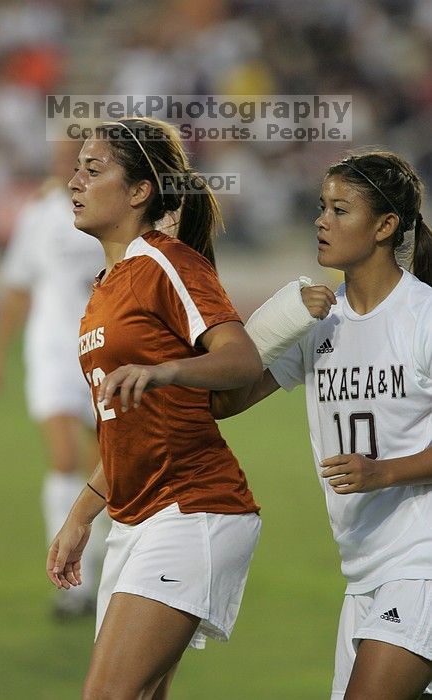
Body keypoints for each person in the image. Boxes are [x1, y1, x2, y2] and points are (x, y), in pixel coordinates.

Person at [45, 116, 270, 700]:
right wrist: (79, 516)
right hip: (135, 517)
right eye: (76, 168)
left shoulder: (167, 264)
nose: (76, 180)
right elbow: (128, 428)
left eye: (94, 170)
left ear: (141, 191)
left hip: (192, 506)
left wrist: (164, 370)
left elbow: (241, 358)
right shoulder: (105, 287)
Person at [212, 150, 432, 699]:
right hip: (363, 573)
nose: (321, 221)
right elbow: (225, 401)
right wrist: (274, 322)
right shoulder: (317, 321)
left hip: (422, 564)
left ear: (385, 226)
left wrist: (383, 473)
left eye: (340, 209)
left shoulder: (423, 317)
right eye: (320, 207)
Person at [0, 140, 107, 619]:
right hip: (53, 353)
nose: (70, 169)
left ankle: (98, 570)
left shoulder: (110, 214)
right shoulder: (37, 217)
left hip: (103, 351)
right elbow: (18, 287)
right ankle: (70, 585)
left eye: (80, 162)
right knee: (63, 458)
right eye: (63, 160)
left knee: (110, 469)